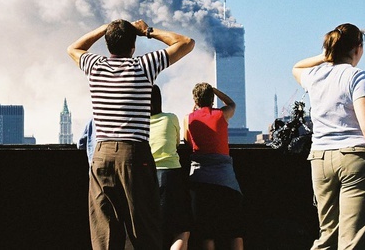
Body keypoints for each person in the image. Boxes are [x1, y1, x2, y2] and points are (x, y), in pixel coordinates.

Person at [67, 19, 195, 250]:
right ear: (133, 46)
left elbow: (73, 48)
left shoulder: (95, 66)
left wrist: (105, 29)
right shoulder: (144, 65)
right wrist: (147, 31)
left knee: (104, 231)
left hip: (102, 154)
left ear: (107, 45)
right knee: (143, 228)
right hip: (134, 155)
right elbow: (186, 43)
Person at [292, 23, 365, 249]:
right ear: (358, 48)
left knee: (328, 236)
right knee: (354, 239)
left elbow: (297, 67)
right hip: (356, 159)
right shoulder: (356, 76)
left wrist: (325, 57)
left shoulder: (315, 76)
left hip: (321, 159)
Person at [183, 83, 243, 250]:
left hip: (199, 178)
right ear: (212, 99)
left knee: (206, 232)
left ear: (195, 99)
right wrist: (215, 91)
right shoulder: (222, 114)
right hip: (225, 179)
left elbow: (188, 142)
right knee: (234, 231)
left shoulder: (188, 118)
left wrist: (195, 109)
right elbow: (232, 104)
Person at [149, 85, 192, 250]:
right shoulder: (170, 118)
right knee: (181, 231)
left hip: (146, 177)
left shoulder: (139, 122)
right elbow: (175, 143)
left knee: (151, 230)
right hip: (171, 176)